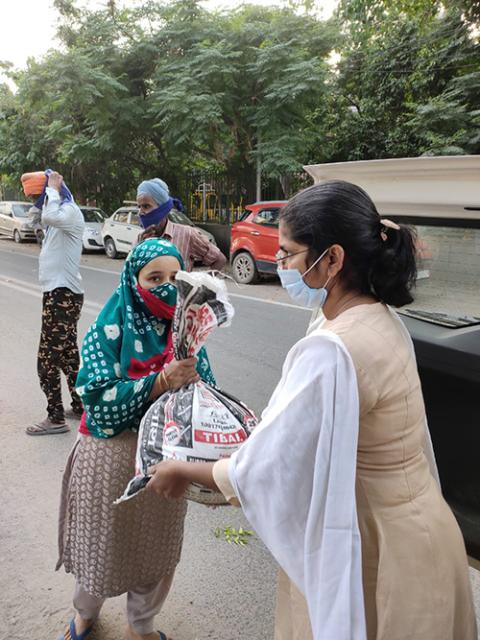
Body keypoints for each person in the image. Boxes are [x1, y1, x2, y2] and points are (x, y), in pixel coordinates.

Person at [145, 181, 477, 640]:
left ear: (333, 259)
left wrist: (181, 468)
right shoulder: (382, 319)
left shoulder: (332, 349)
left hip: (377, 554)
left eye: (287, 254)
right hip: (426, 538)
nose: (280, 265)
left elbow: (264, 470)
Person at [56, 238, 215, 640]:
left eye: (174, 278)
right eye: (154, 277)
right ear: (134, 280)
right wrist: (159, 382)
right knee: (101, 542)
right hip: (110, 454)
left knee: (157, 548)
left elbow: (206, 397)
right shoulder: (106, 330)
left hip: (166, 460)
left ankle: (140, 625)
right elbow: (97, 402)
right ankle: (84, 616)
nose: (165, 287)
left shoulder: (188, 331)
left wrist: (194, 384)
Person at [21, 170, 85, 436]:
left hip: (63, 295)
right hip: (58, 294)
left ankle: (55, 417)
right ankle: (81, 405)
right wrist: (47, 199)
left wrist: (53, 189)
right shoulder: (57, 214)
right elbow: (41, 218)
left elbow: (48, 214)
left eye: (38, 195)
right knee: (69, 356)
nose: (38, 201)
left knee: (46, 358)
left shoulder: (67, 211)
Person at [136, 178, 227, 272]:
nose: (140, 212)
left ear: (163, 209)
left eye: (146, 206)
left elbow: (219, 260)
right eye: (139, 207)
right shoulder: (140, 239)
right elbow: (131, 277)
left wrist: (200, 284)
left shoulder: (187, 234)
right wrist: (139, 250)